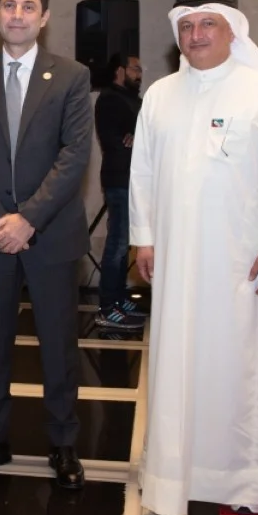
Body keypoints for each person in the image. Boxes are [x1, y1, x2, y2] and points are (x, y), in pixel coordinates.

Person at [129, 0, 258, 515]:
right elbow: (142, 173)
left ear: (232, 32)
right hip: (174, 258)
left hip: (240, 260)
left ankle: (237, 480)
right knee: (174, 364)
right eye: (188, 26)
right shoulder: (160, 95)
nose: (196, 35)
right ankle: (170, 476)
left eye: (208, 25)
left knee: (237, 364)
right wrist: (144, 237)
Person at [0, 0, 94, 489]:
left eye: (28, 7)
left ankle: (63, 443)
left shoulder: (72, 76)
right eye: (9, 5)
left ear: (44, 17)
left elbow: (75, 154)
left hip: (51, 233)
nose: (17, 15)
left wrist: (28, 218)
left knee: (58, 344)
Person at [94, 53, 144, 330]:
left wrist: (140, 139)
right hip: (120, 180)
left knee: (125, 244)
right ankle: (107, 307)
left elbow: (145, 135)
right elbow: (117, 143)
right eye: (135, 69)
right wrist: (136, 141)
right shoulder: (110, 99)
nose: (140, 74)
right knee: (117, 243)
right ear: (120, 71)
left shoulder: (133, 99)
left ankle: (118, 298)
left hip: (133, 181)